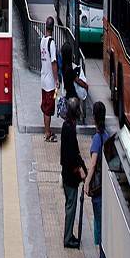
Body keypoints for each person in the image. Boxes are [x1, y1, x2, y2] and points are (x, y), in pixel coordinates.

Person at [83, 101, 110, 258]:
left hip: (98, 189)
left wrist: (86, 182)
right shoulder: (106, 136)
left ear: (94, 117)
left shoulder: (97, 139)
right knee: (101, 224)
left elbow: (92, 165)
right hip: (104, 187)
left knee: (99, 226)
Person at [60, 96, 85, 249]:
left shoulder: (66, 126)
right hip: (70, 177)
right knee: (71, 207)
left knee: (70, 205)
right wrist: (79, 170)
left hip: (67, 174)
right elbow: (70, 155)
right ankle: (68, 238)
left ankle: (69, 235)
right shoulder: (69, 130)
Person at [39, 17, 59, 142]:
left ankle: (47, 130)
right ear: (53, 27)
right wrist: (56, 80)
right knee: (49, 108)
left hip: (43, 79)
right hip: (50, 82)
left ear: (46, 26)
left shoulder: (42, 41)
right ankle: (47, 133)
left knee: (45, 106)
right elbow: (54, 63)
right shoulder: (51, 43)